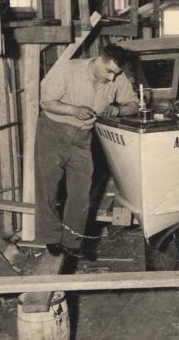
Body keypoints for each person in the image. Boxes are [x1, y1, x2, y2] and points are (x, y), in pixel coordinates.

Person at [34, 44, 140, 257]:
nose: (112, 79)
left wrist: (119, 109)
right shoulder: (67, 69)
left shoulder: (116, 78)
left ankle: (72, 242)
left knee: (81, 190)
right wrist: (73, 110)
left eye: (116, 74)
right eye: (109, 72)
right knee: (48, 186)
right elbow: (46, 102)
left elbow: (134, 104)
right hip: (53, 132)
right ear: (99, 59)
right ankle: (51, 238)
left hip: (83, 137)